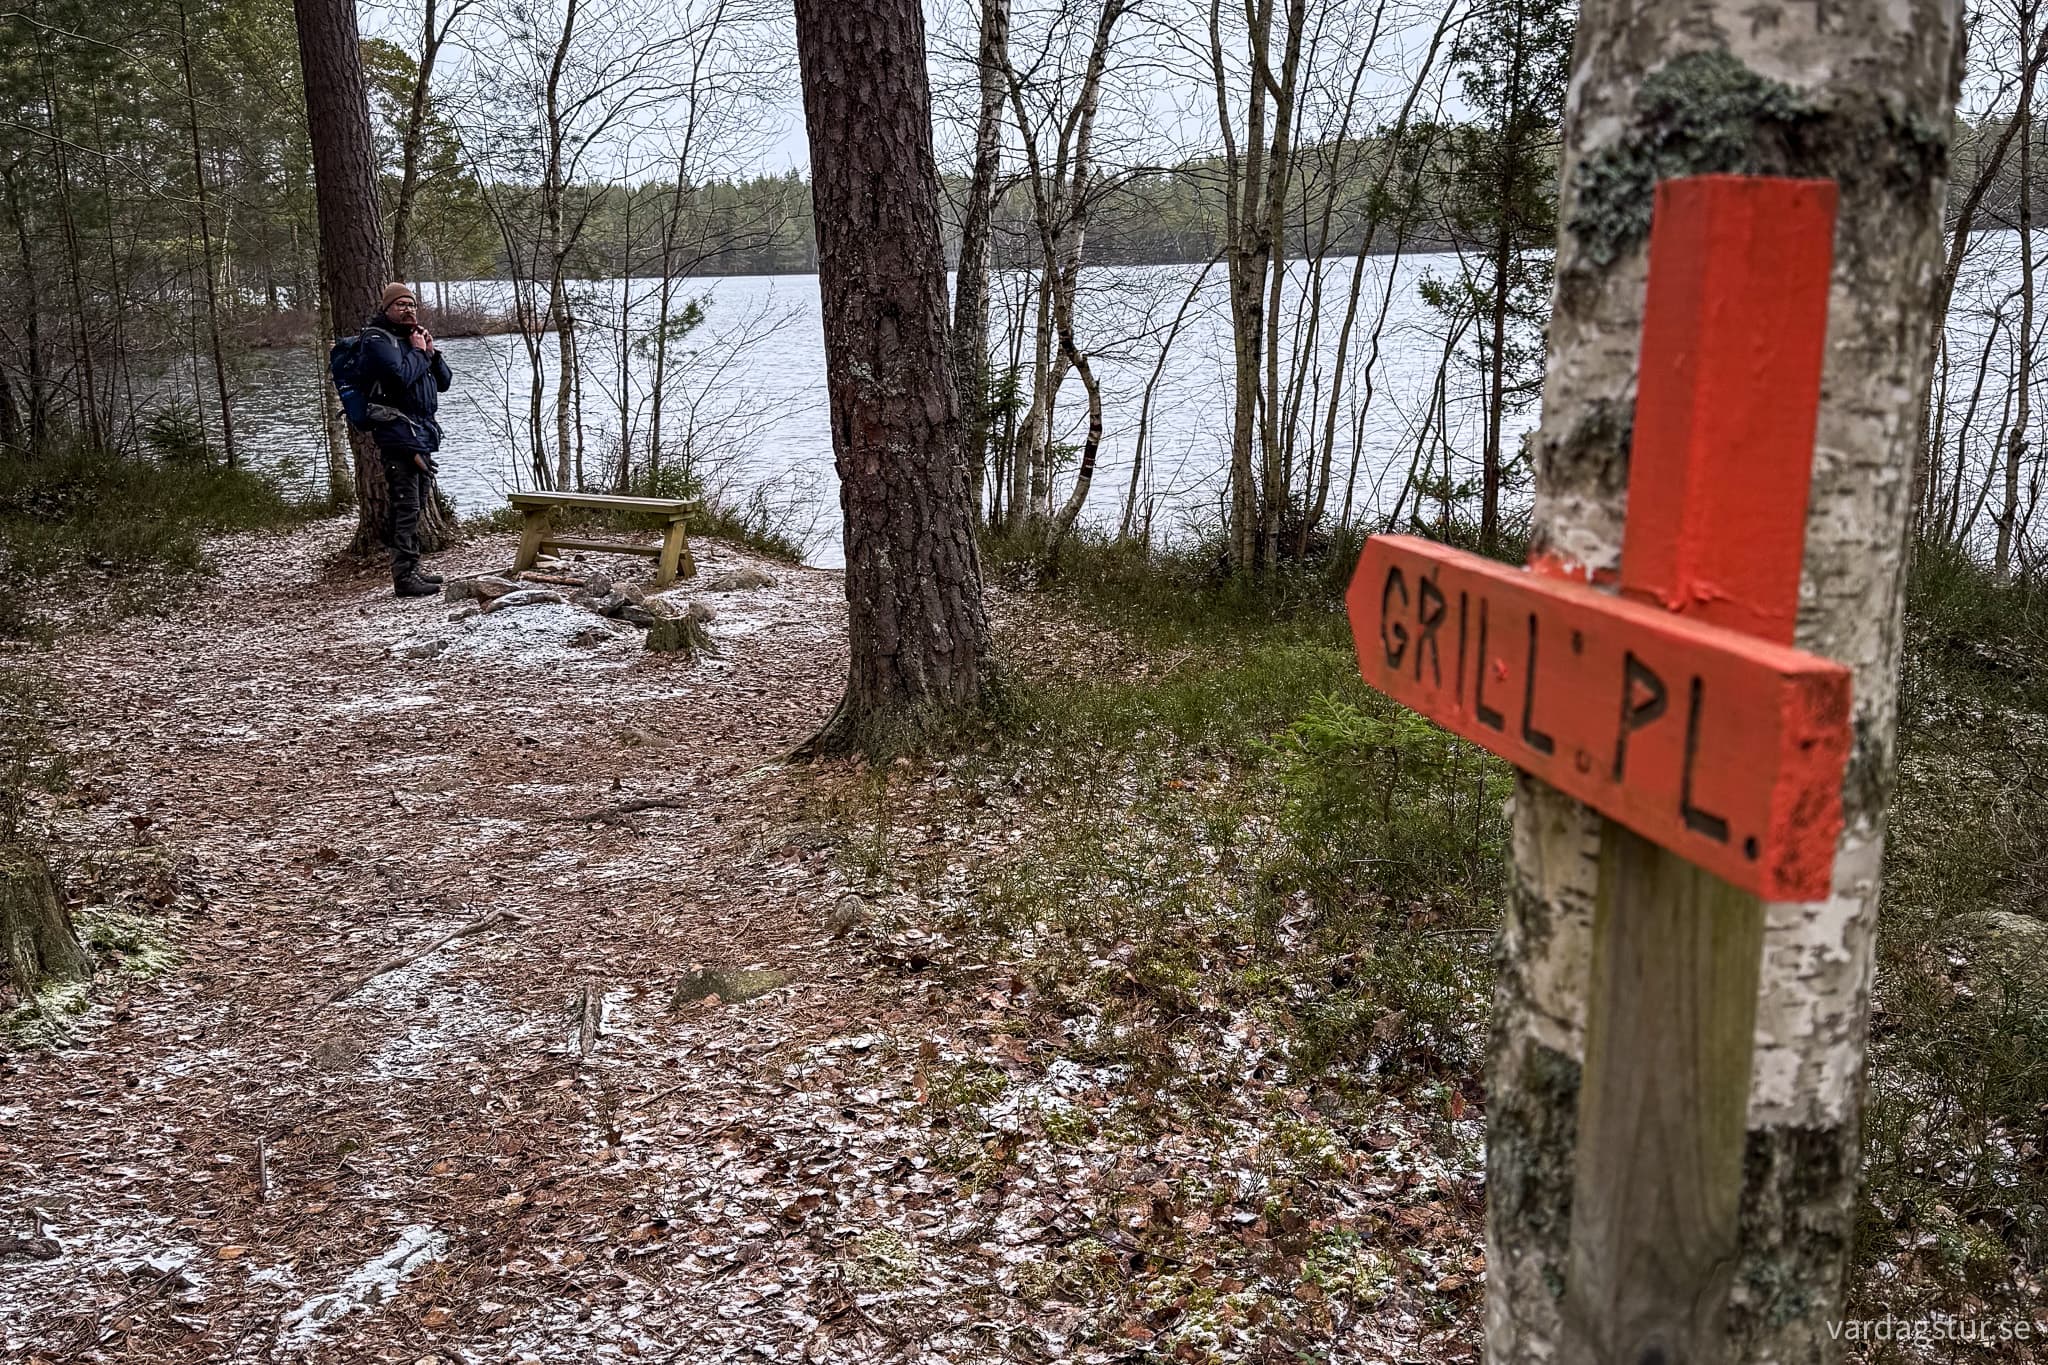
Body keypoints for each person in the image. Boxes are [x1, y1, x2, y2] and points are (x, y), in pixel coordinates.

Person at [359, 282, 453, 597]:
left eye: (411, 304)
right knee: (406, 505)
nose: (408, 309)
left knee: (416, 503)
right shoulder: (376, 340)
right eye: (400, 305)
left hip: (421, 432)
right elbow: (397, 380)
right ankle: (404, 576)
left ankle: (413, 567)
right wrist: (416, 352)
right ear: (386, 309)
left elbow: (444, 382)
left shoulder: (412, 340)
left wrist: (431, 353)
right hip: (397, 435)